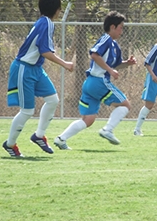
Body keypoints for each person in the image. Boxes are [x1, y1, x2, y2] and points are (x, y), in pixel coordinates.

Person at [2, 0, 74, 157]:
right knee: (27, 111)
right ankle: (10, 144)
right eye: (60, 8)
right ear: (57, 10)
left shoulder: (43, 22)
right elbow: (45, 51)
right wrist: (65, 64)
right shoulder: (47, 23)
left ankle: (39, 135)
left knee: (52, 100)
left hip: (35, 68)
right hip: (24, 68)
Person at [54, 11, 136, 149]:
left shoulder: (115, 46)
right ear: (112, 27)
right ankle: (107, 130)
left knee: (88, 119)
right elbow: (94, 54)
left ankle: (61, 139)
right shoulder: (106, 39)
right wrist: (110, 71)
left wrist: (127, 63)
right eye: (121, 27)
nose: (122, 30)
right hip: (99, 81)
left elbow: (114, 65)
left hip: (90, 84)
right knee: (125, 105)